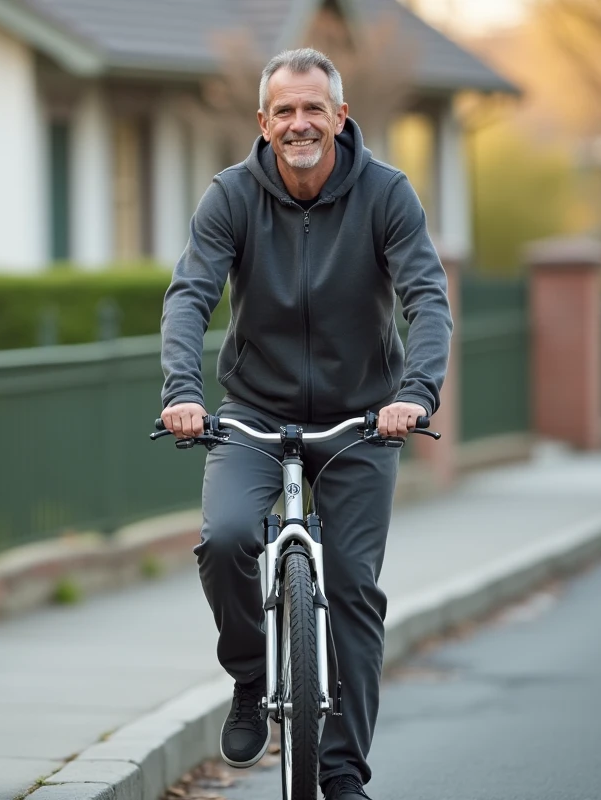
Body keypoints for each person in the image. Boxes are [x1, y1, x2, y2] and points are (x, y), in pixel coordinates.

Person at [158, 48, 452, 800]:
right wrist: (182, 391)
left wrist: (414, 394)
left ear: (340, 117)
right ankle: (252, 679)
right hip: (255, 412)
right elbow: (190, 295)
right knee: (225, 538)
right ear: (263, 122)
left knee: (353, 586)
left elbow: (427, 298)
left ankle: (344, 769)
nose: (299, 124)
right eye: (284, 111)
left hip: (364, 421)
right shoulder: (230, 196)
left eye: (313, 108)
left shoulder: (387, 194)